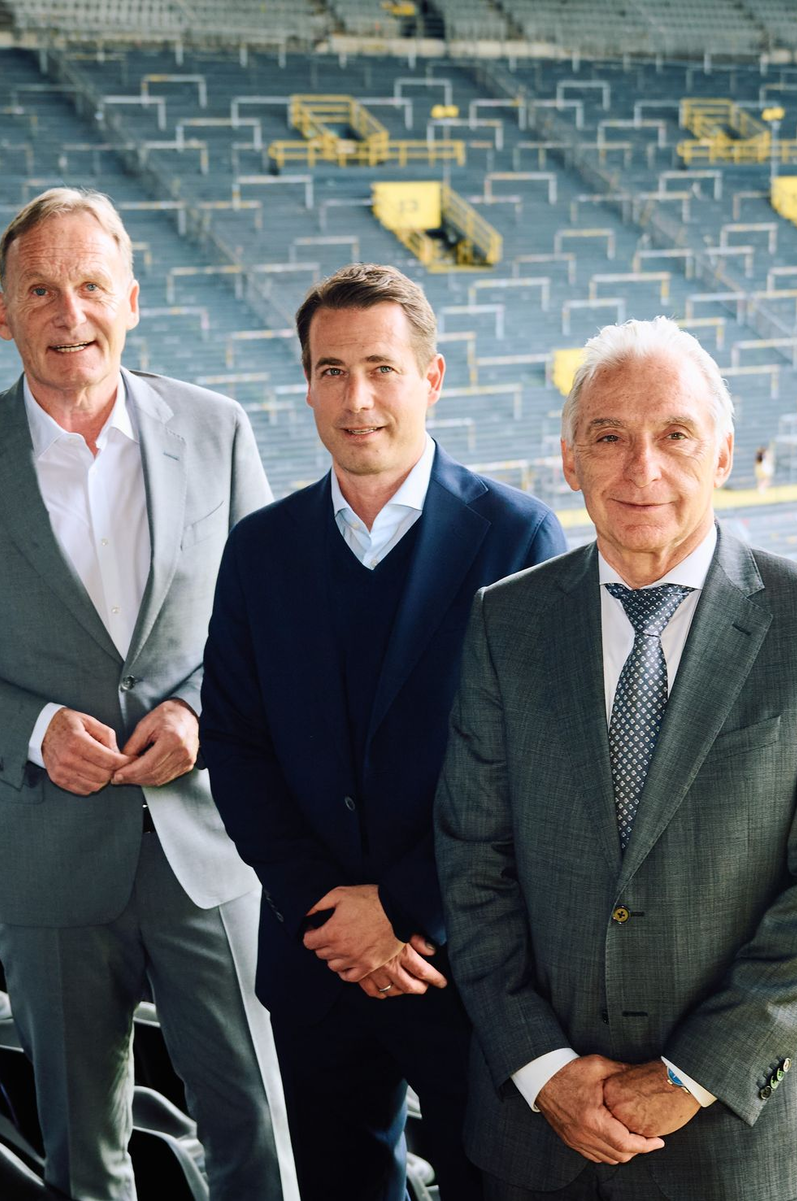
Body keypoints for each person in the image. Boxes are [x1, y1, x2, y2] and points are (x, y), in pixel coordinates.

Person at [0, 187, 293, 1201]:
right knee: (85, 1162)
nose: (71, 313)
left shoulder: (218, 430)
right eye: (42, 289)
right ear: (3, 310)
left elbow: (271, 624)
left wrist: (197, 711)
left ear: (131, 299)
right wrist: (35, 727)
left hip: (208, 853)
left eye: (92, 285)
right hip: (48, 865)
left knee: (261, 1136)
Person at [435, 317, 797, 1201]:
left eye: (674, 435)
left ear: (722, 454)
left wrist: (688, 1077)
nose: (642, 469)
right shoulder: (505, 622)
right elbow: (470, 862)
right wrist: (543, 1067)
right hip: (538, 1141)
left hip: (729, 1149)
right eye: (609, 437)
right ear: (570, 463)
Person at [199, 262, 566, 1201]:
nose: (355, 399)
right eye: (330, 371)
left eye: (381, 368)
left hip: (463, 967)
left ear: (432, 377)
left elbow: (536, 770)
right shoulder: (260, 546)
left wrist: (403, 910)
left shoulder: (518, 539)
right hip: (318, 961)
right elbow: (235, 747)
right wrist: (327, 908)